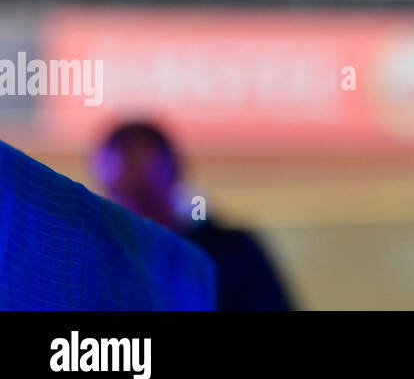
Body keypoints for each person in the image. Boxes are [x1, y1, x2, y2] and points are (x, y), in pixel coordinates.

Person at [91, 121, 295, 311]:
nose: (135, 211)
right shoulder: (97, 258)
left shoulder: (232, 252)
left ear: (174, 176)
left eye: (144, 195)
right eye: (121, 195)